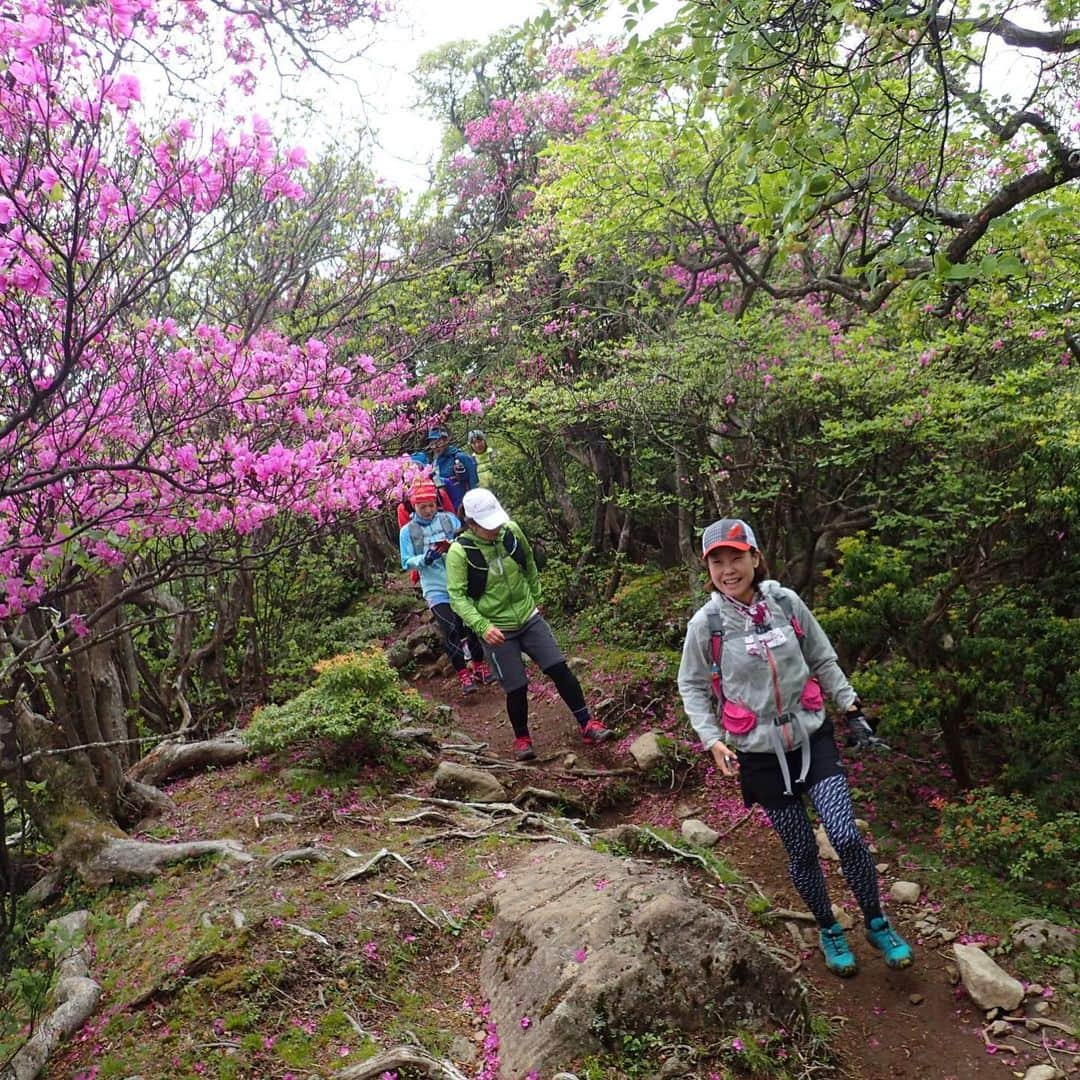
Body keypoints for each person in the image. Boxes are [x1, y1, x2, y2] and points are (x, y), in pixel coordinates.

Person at [677, 517, 912, 977]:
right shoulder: (707, 625)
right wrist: (712, 741)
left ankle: (877, 922)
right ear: (709, 568)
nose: (728, 569)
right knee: (802, 850)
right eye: (717, 561)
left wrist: (851, 709)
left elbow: (822, 657)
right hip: (760, 753)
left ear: (755, 557)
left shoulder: (786, 603)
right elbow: (691, 684)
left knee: (845, 835)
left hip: (811, 738)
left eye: (736, 558)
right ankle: (828, 928)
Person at [446, 488, 614, 761]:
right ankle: (522, 739)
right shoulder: (459, 552)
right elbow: (457, 597)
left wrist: (537, 597)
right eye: (488, 525)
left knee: (559, 668)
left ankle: (587, 723)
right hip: (496, 628)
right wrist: (482, 627)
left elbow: (529, 562)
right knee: (516, 686)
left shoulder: (510, 531)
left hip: (528, 615)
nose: (495, 528)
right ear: (472, 524)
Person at [399, 480, 494, 696]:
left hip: (458, 580)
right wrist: (425, 558)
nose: (428, 510)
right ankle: (463, 674)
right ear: (414, 505)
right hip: (434, 586)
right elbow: (406, 561)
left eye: (431, 505)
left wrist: (452, 546)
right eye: (423, 506)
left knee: (469, 624)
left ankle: (479, 665)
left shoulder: (448, 519)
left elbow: (464, 539)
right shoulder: (407, 531)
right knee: (450, 628)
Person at [424, 428, 478, 511]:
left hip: (465, 507)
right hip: (448, 509)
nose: (435, 446)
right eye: (432, 444)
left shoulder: (460, 457)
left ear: (446, 441)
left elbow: (473, 481)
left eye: (438, 442)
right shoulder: (434, 463)